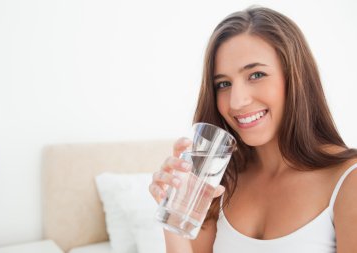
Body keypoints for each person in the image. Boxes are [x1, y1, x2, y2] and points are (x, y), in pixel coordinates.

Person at [148, 6, 357, 253]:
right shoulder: (222, 183)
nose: (236, 101)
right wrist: (173, 213)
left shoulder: (348, 181)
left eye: (256, 75)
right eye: (223, 84)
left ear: (295, 78)